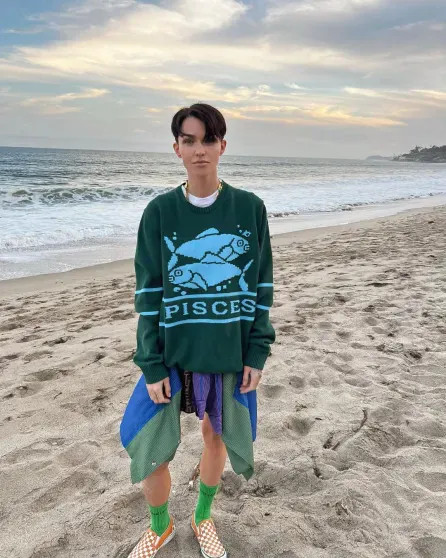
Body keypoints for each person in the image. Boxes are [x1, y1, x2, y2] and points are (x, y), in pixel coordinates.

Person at [120, 103, 275, 558]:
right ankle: (161, 525)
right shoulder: (159, 212)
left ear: (222, 146)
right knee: (149, 445)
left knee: (216, 435)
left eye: (208, 140)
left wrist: (257, 352)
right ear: (177, 149)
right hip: (172, 351)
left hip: (228, 350)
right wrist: (151, 364)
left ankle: (202, 516)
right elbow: (148, 294)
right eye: (189, 140)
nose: (199, 149)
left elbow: (262, 285)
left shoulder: (249, 208)